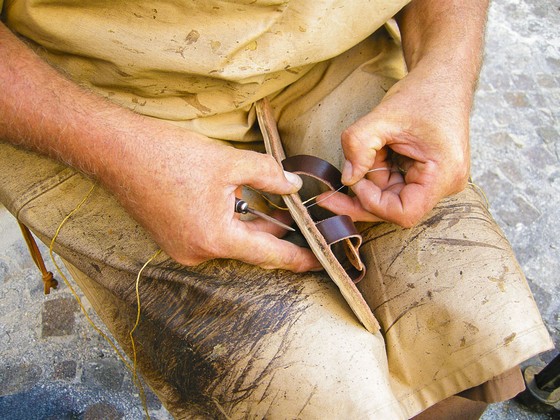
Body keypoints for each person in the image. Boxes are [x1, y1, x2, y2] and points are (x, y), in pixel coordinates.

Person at [0, 0, 553, 418]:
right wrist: (124, 157)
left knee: (470, 319)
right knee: (310, 387)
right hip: (97, 92)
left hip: (331, 53)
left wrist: (444, 75)